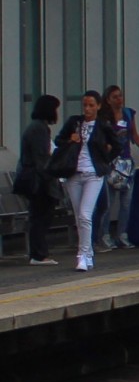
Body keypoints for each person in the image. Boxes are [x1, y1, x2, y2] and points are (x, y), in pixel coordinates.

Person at [55, 90, 121, 271]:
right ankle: (88, 252)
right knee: (79, 217)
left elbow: (117, 145)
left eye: (91, 105)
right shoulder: (74, 122)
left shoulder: (103, 126)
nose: (87, 109)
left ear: (99, 106)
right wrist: (70, 139)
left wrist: (104, 160)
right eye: (85, 105)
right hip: (73, 174)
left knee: (85, 214)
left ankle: (82, 255)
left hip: (93, 174)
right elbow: (58, 140)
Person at [96, 85, 139, 250]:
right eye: (114, 97)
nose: (119, 99)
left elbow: (134, 135)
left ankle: (123, 234)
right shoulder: (104, 117)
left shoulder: (128, 114)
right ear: (108, 100)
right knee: (109, 202)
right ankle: (104, 234)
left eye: (120, 96)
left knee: (126, 202)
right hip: (111, 164)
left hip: (126, 162)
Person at [19, 95, 65, 266]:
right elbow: (41, 159)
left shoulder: (34, 127)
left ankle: (38, 253)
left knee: (38, 216)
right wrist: (50, 178)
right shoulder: (40, 129)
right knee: (40, 217)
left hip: (34, 178)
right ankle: (39, 254)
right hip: (39, 182)